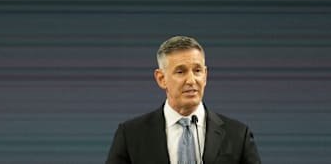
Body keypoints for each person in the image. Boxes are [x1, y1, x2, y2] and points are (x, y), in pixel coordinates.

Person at [105, 35, 262, 164]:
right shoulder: (131, 135)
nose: (191, 80)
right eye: (180, 72)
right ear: (161, 79)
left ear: (205, 75)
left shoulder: (238, 135)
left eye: (197, 70)